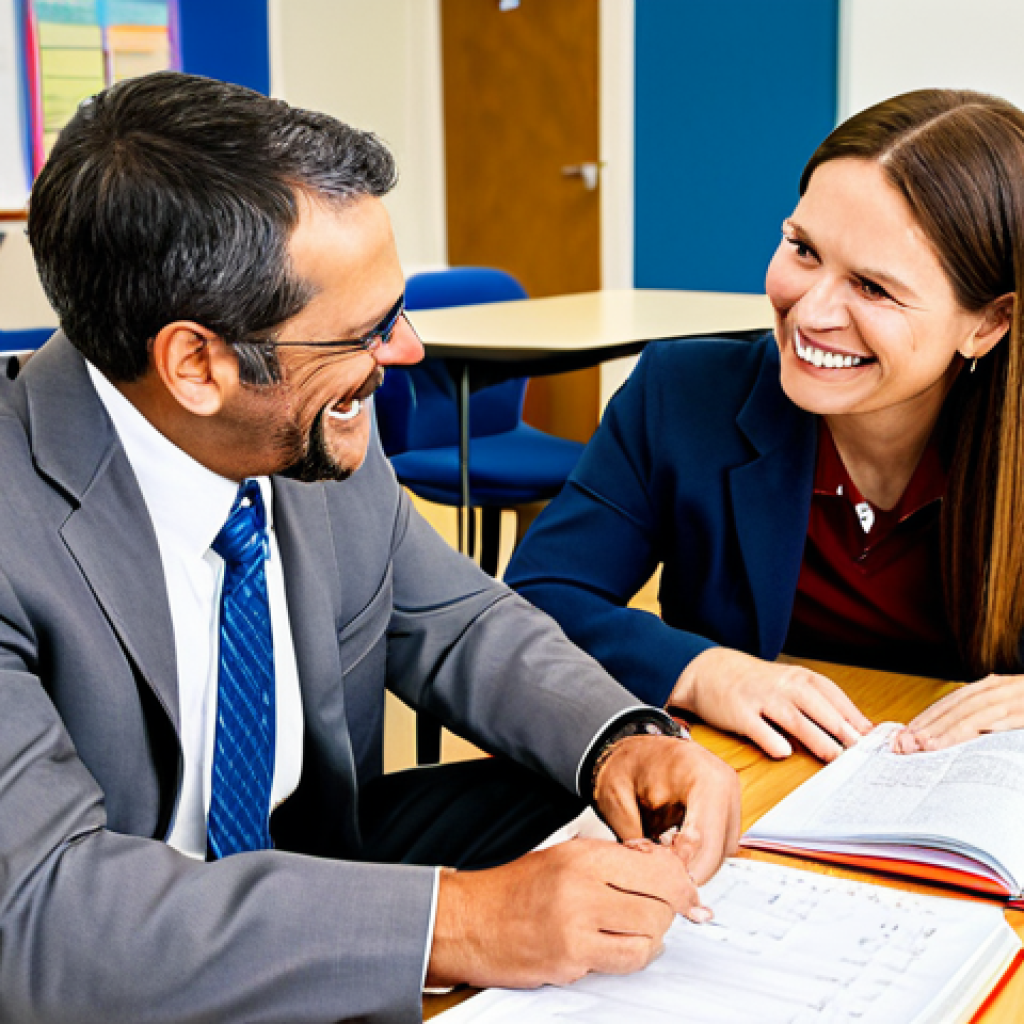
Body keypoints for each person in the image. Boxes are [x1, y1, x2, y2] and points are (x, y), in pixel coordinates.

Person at [0, 72, 741, 1023]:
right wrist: (462, 925)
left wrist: (619, 741)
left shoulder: (306, 428)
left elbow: (457, 622)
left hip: (318, 861)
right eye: (366, 331)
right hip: (108, 943)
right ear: (197, 364)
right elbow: (36, 912)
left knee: (599, 825)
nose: (409, 353)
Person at [506, 87, 1024, 764]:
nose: (809, 312)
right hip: (751, 786)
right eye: (803, 250)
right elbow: (537, 600)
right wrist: (705, 670)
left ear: (987, 324)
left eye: (872, 287)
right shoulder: (682, 395)